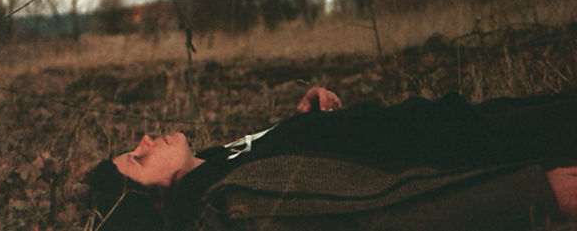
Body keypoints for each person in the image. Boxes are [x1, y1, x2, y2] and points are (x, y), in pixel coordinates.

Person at [86, 87, 577, 231]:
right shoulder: (236, 204)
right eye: (137, 159)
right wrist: (537, 191)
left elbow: (296, 161)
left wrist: (304, 122)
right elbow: (385, 216)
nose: (145, 140)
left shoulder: (213, 164)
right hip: (471, 152)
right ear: (155, 200)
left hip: (451, 120)